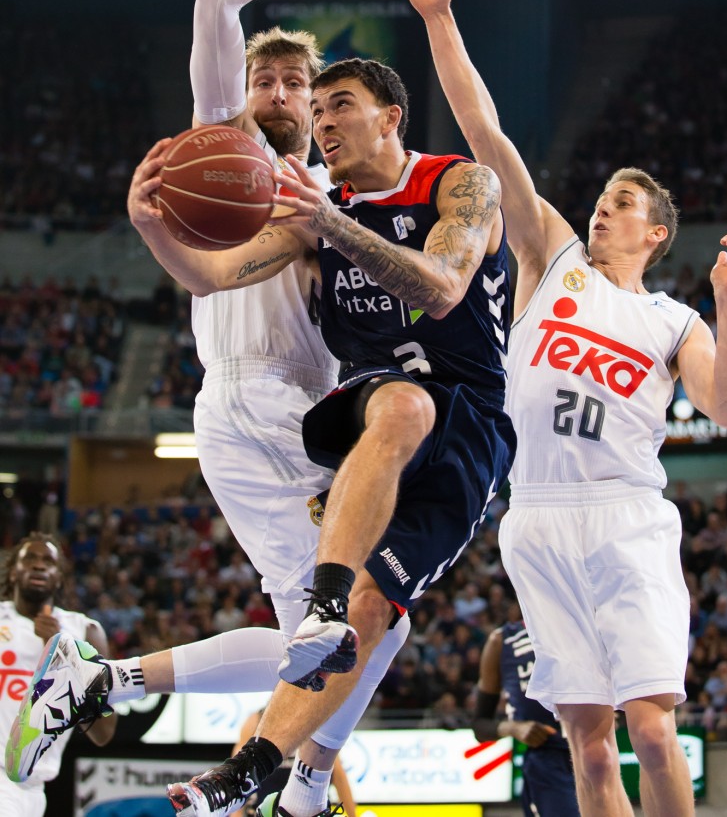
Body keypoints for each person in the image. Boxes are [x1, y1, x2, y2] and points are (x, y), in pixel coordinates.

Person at [6, 0, 411, 817]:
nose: (273, 90)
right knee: (368, 614)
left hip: (289, 412)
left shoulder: (331, 196)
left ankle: (104, 680)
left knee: (335, 631)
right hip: (261, 403)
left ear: (316, 101)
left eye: (291, 80)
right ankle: (303, 783)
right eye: (263, 76)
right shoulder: (223, 151)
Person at [394, 0, 727, 817]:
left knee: (652, 729)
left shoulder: (673, 318)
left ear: (655, 233)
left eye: (621, 206)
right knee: (587, 744)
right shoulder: (553, 258)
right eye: (600, 201)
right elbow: (486, 130)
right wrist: (439, 19)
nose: (601, 212)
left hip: (627, 515)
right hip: (539, 518)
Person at [126, 41, 515, 814]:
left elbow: (439, 290)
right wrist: (152, 226)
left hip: (472, 422)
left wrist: (333, 227)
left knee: (384, 614)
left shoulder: (460, 184)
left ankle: (265, 769)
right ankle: (323, 604)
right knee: (400, 405)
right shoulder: (316, 216)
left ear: (390, 117)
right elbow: (210, 274)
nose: (322, 119)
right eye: (318, 107)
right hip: (377, 404)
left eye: (340, 105)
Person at [0, 534, 116, 816]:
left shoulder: (84, 631)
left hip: (33, 790)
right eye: (30, 558)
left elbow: (104, 732)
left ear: (59, 578)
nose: (39, 566)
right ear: (13, 573)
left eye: (48, 561)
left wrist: (62, 655)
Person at [472, 615, 579, 817]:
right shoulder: (502, 640)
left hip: (594, 745)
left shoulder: (584, 623)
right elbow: (480, 725)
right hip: (548, 758)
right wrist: (514, 727)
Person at [231, 707, 356, 817]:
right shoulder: (256, 722)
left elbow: (339, 776)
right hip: (265, 808)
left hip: (307, 809)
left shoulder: (314, 721)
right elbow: (238, 776)